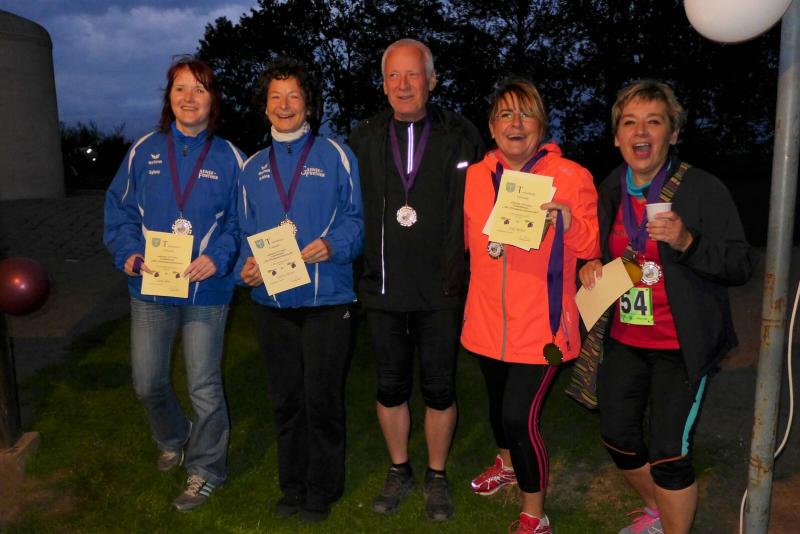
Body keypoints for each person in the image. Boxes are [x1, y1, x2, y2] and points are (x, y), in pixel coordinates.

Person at [578, 80, 755, 534]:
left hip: (682, 346)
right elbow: (596, 248)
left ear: (673, 133)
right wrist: (590, 264)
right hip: (625, 338)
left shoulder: (702, 188)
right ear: (617, 136)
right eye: (629, 122)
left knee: (668, 452)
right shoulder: (609, 187)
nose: (641, 132)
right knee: (617, 437)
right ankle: (659, 511)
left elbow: (740, 264)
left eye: (653, 122)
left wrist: (687, 241)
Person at [349, 38, 483, 521]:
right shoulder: (362, 138)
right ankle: (399, 468)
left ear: (431, 80)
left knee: (440, 388)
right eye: (394, 75)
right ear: (383, 83)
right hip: (383, 287)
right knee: (390, 386)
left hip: (441, 288)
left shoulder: (461, 134)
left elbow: (490, 196)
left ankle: (437, 475)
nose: (403, 85)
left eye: (413, 74)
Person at [104, 56, 244, 511]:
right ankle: (173, 434)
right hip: (152, 287)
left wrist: (217, 257)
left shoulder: (230, 157)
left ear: (212, 100)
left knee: (204, 385)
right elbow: (120, 210)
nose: (189, 97)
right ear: (168, 97)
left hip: (207, 289)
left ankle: (206, 469)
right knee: (147, 383)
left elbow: (243, 221)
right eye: (180, 88)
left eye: (199, 89)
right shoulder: (143, 151)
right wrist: (128, 252)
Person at [462, 77, 600, 534]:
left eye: (526, 114)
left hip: (544, 329)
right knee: (497, 408)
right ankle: (505, 466)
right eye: (505, 114)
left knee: (519, 418)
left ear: (542, 125)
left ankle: (534, 515)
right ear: (491, 126)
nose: (515, 123)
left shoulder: (571, 176)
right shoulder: (476, 177)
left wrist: (567, 221)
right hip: (487, 320)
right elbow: (468, 243)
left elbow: (591, 246)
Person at [237, 57, 363, 523]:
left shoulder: (337, 155)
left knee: (321, 399)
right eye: (276, 96)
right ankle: (291, 485)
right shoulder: (252, 167)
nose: (285, 105)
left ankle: (322, 489)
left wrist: (333, 245)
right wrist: (245, 266)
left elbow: (356, 220)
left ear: (309, 104)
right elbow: (242, 229)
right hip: (272, 302)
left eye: (294, 96)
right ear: (264, 106)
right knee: (286, 399)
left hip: (327, 300)